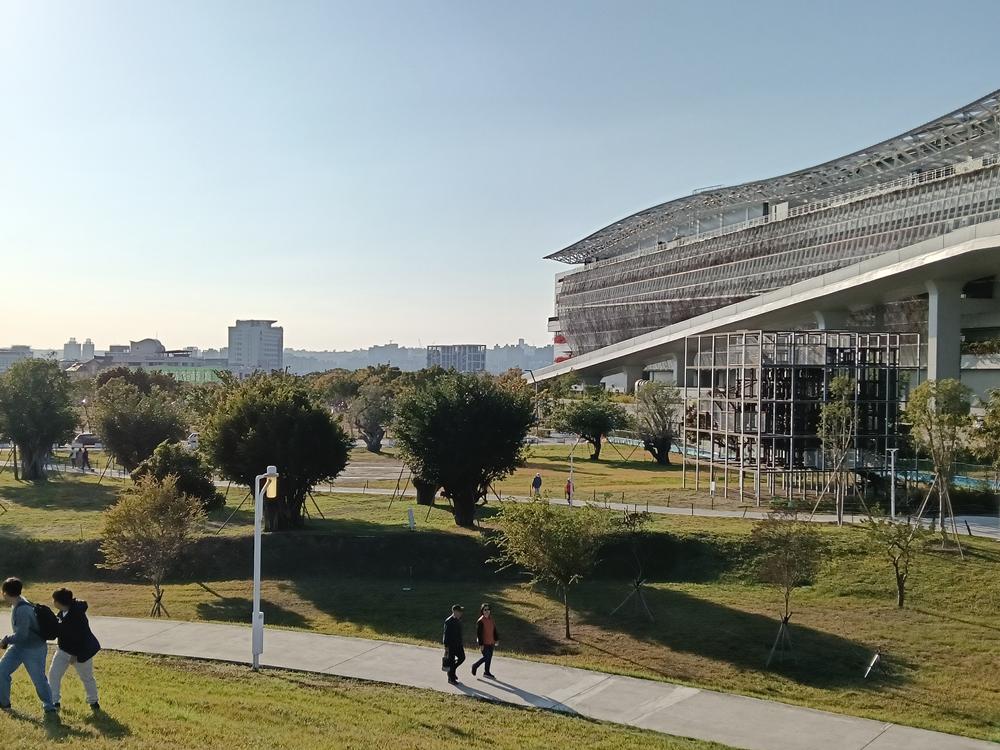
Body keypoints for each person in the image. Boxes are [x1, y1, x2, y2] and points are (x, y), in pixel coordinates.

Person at [0, 577, 56, 713]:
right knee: (1, 672)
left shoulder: (22, 610)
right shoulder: (18, 602)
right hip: (18, 647)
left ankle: (49, 707)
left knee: (39, 680)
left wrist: (5, 640)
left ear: (5, 593)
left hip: (34, 649)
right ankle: (4, 704)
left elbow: (22, 635)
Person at [48, 588, 101, 711]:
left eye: (54, 600)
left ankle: (93, 701)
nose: (53, 602)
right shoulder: (62, 613)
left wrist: (75, 654)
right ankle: (54, 701)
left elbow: (82, 636)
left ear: (60, 602)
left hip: (81, 653)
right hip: (63, 650)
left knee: (87, 677)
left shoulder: (78, 615)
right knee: (54, 674)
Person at [471, 603, 499, 679]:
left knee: (489, 658)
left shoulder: (491, 619)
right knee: (487, 657)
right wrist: (481, 644)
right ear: (482, 611)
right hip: (484, 643)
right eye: (485, 610)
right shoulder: (480, 621)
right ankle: (475, 666)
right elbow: (479, 634)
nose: (487, 611)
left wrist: (496, 639)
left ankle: (487, 672)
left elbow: (494, 630)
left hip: (491, 642)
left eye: (488, 609)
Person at [441, 604, 465, 685]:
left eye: (461, 611)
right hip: (451, 645)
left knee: (462, 658)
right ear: (454, 611)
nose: (461, 613)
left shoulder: (458, 620)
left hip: (458, 644)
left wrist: (461, 642)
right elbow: (445, 634)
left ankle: (452, 671)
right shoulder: (448, 621)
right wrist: (446, 646)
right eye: (459, 611)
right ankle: (451, 678)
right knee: (451, 661)